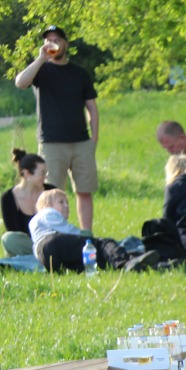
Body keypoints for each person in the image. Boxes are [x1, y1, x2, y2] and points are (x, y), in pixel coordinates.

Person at [14, 25, 98, 232]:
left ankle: (86, 235)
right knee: (51, 192)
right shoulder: (40, 71)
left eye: (57, 40)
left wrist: (94, 139)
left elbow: (92, 108)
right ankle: (53, 234)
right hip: (51, 143)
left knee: (84, 191)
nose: (53, 43)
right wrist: (41, 58)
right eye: (48, 40)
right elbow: (20, 83)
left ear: (65, 43)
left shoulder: (80, 73)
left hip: (81, 142)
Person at [28, 189, 158, 272]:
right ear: (46, 204)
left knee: (94, 260)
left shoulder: (34, 223)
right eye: (61, 202)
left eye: (67, 203)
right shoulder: (47, 213)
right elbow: (69, 231)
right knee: (102, 244)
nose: (66, 206)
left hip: (45, 258)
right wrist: (87, 237)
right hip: (53, 242)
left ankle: (144, 264)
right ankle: (125, 263)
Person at [2, 148, 56, 256]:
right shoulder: (8, 198)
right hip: (26, 247)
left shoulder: (51, 192)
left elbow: (60, 223)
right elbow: (13, 232)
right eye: (42, 173)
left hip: (50, 243)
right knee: (8, 238)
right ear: (27, 174)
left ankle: (42, 257)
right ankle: (41, 257)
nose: (45, 176)